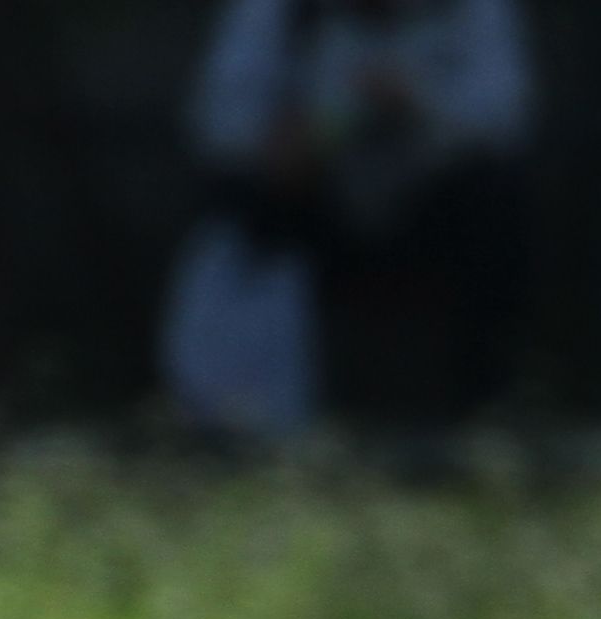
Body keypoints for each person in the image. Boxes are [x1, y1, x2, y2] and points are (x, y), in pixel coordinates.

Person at [162, 0, 536, 442]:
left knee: (498, 205)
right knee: (239, 211)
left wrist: (419, 106)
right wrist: (279, 142)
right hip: (316, 201)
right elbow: (219, 121)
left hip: (430, 201)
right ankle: (245, 416)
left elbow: (505, 114)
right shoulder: (277, 13)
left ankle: (484, 421)